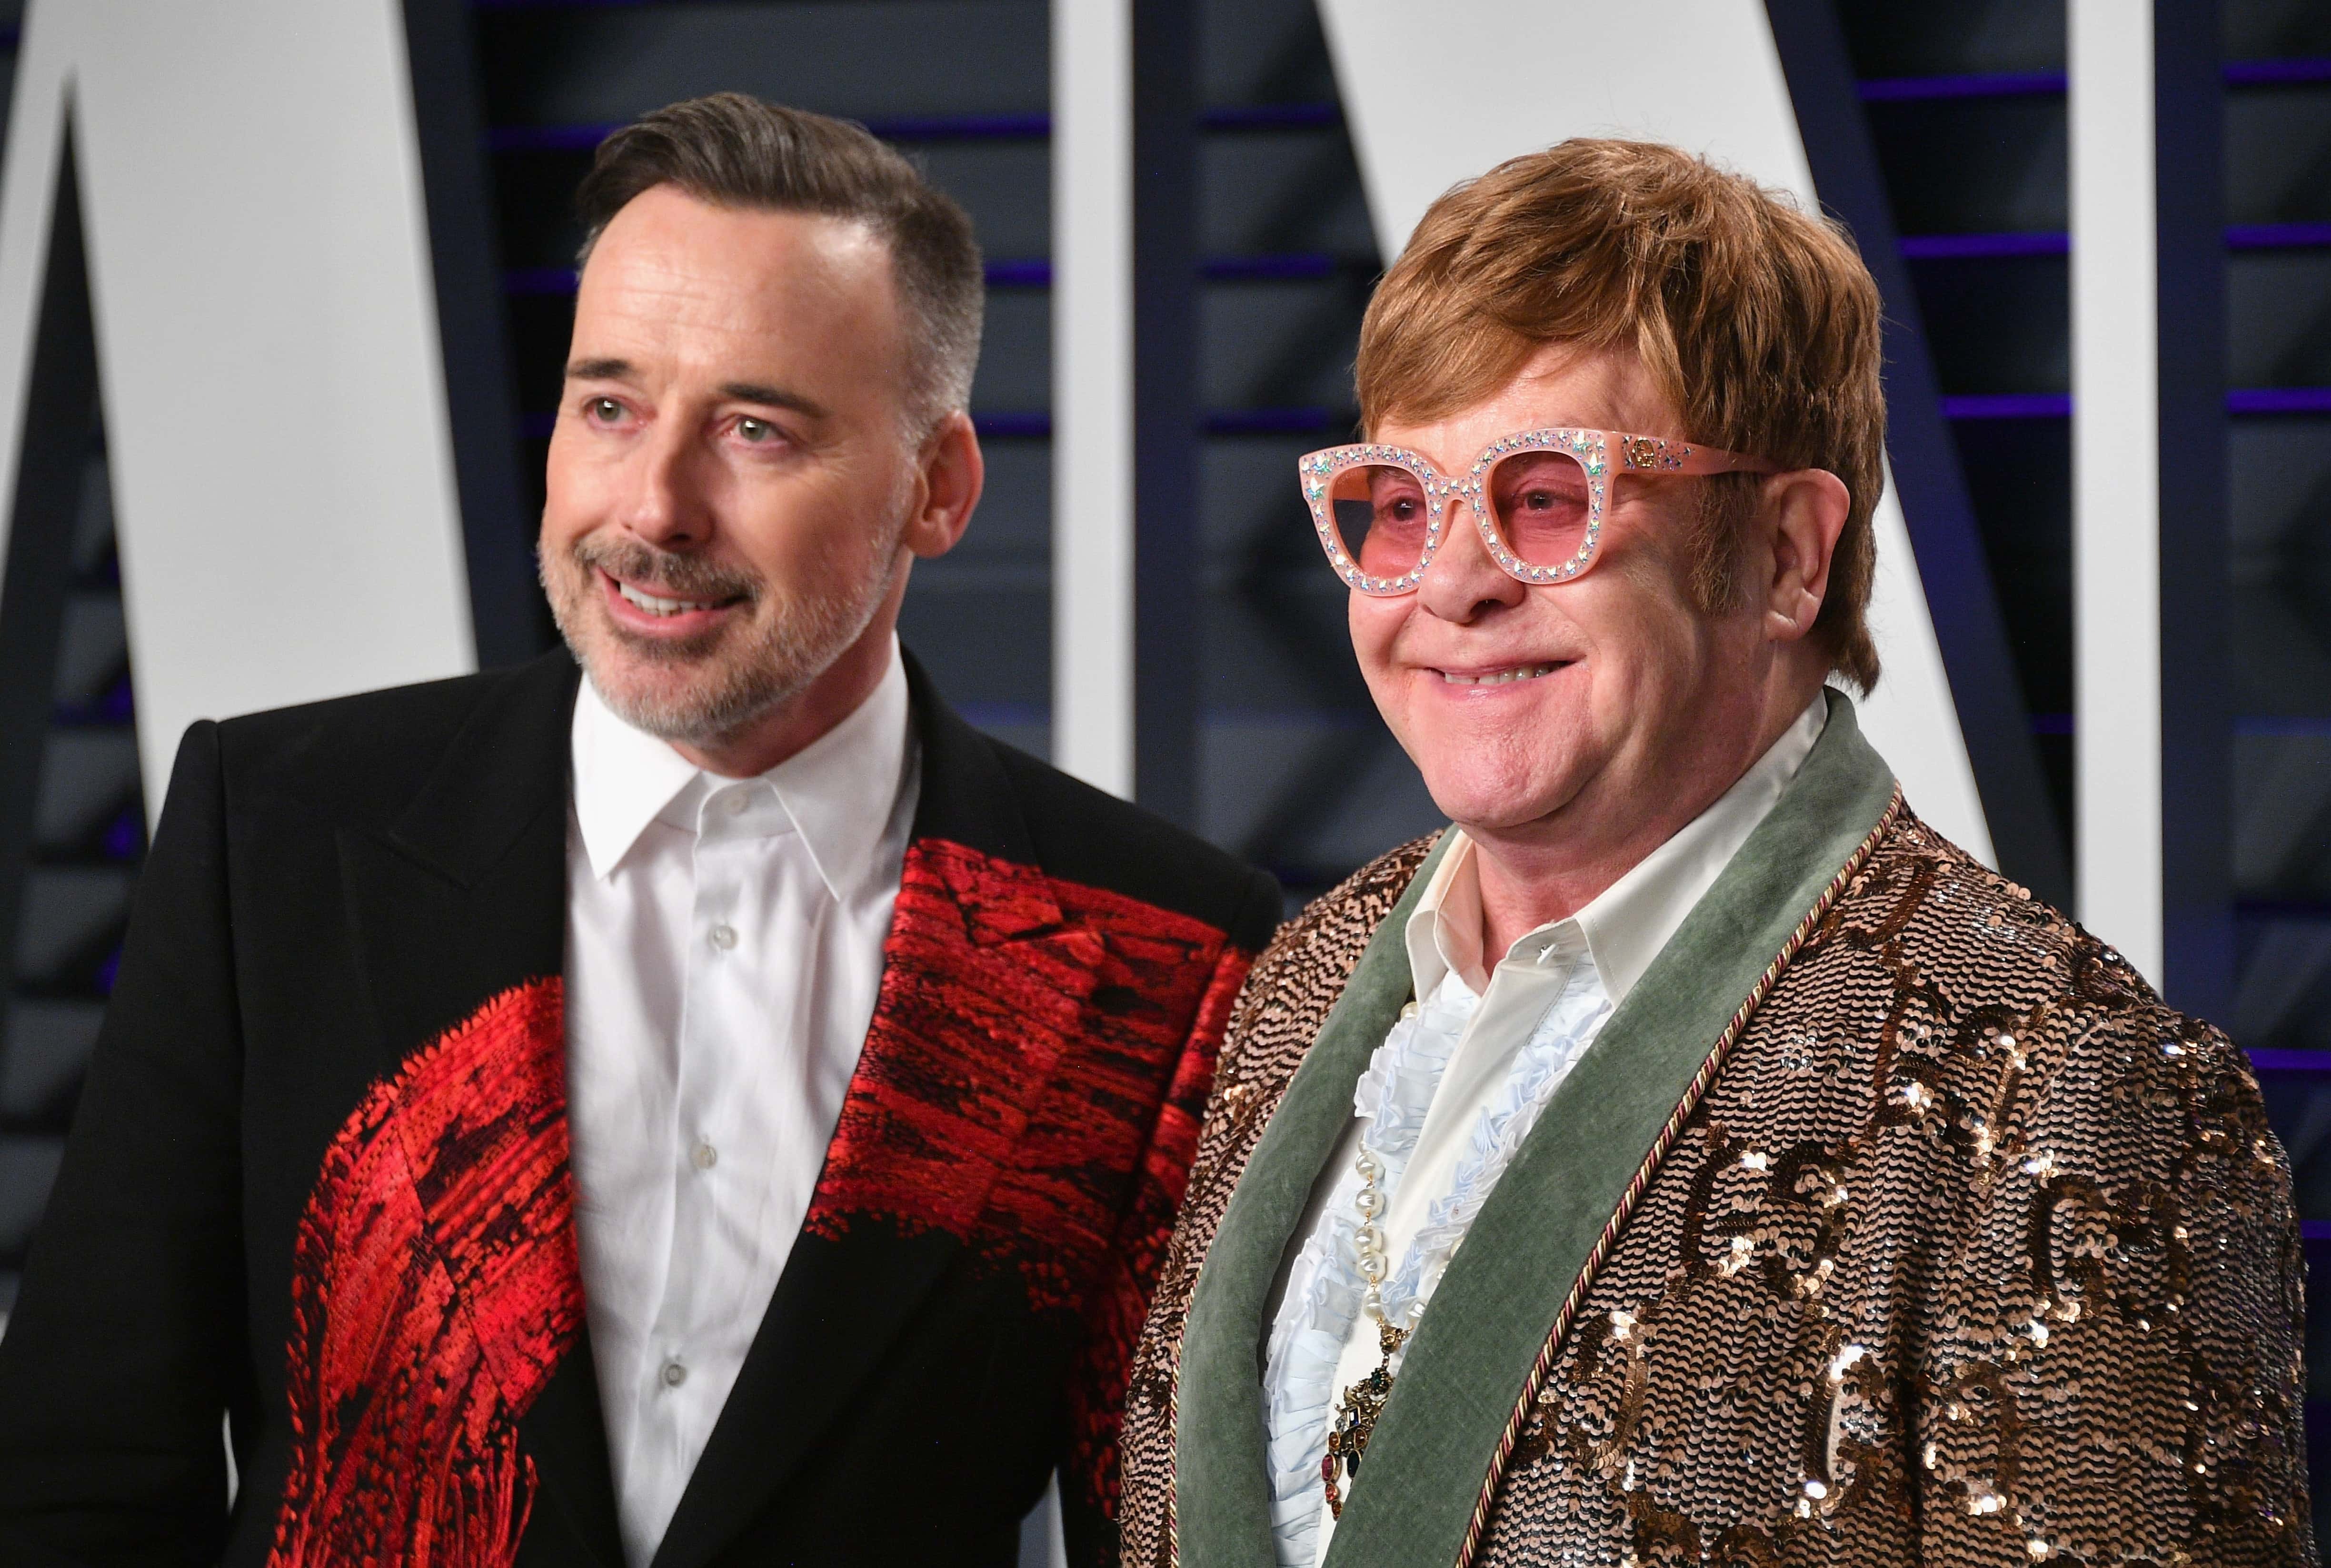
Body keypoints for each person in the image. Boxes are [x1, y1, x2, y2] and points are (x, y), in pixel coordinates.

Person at [0, 94, 1279, 1568]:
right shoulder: (277, 834)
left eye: (754, 429)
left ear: (939, 487)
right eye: (610, 406)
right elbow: (81, 1478)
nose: (654, 508)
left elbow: (1181, 1542)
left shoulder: (1163, 952)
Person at [1117, 139, 2310, 1568]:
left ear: (1789, 556)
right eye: (1400, 502)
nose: (1449, 583)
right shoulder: (1310, 975)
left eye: (1545, 497)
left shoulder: (2063, 1089)